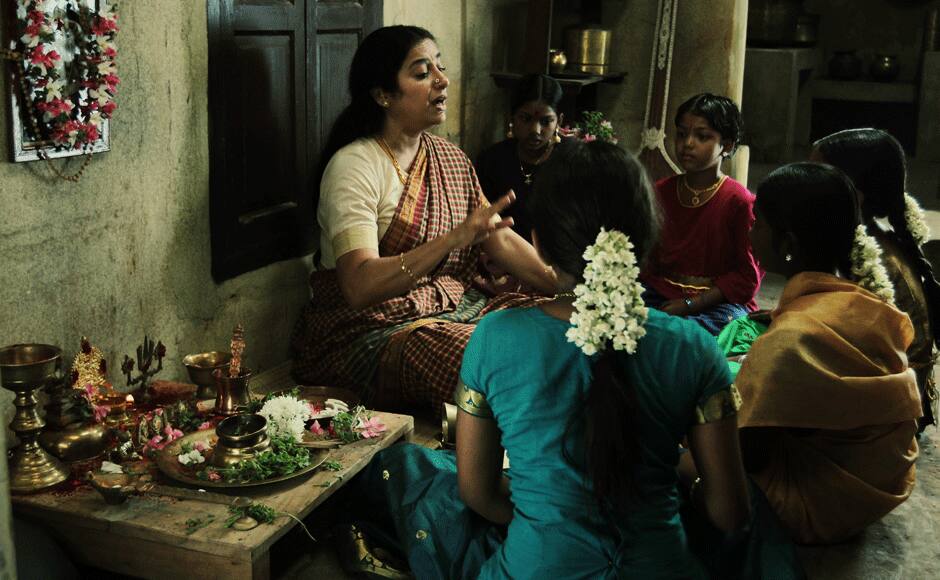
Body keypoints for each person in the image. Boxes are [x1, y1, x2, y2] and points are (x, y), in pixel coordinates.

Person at [347, 141, 784, 579]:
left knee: (410, 472)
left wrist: (552, 516)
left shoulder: (496, 339)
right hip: (661, 566)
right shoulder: (693, 347)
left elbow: (479, 495)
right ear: (647, 240)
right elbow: (730, 514)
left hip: (535, 566)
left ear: (538, 242)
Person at [290, 26, 555, 414]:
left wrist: (558, 284)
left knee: (549, 325)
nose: (442, 80)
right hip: (373, 329)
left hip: (453, 307)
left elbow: (495, 236)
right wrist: (450, 241)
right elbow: (359, 286)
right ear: (383, 95)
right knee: (493, 358)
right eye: (422, 72)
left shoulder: (449, 157)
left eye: (440, 67)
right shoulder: (354, 166)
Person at [737, 162, 922, 544]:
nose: (750, 232)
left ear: (787, 244)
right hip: (883, 479)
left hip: (822, 500)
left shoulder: (790, 341)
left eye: (758, 223)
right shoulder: (865, 305)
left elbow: (747, 454)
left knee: (682, 461)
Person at [812, 128, 939, 431]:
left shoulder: (877, 261)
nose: (808, 184)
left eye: (819, 176)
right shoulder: (853, 238)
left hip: (889, 408)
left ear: (855, 191)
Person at [641, 93, 762, 335]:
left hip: (718, 303)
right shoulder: (661, 191)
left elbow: (747, 278)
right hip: (661, 293)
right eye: (682, 134)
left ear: (726, 145)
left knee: (689, 332)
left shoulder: (739, 201)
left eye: (702, 136)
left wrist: (689, 304)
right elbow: (649, 259)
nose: (688, 143)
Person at [475, 74, 572, 242]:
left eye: (546, 121)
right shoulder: (492, 161)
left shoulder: (573, 160)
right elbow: (481, 221)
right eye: (525, 119)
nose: (535, 130)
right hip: (502, 257)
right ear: (511, 117)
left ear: (559, 121)